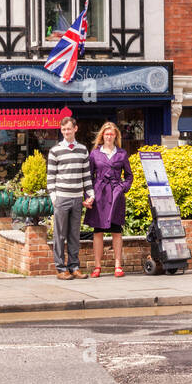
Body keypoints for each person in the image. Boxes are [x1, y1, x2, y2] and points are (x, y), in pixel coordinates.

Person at [47, 116, 94, 280]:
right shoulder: (55, 151)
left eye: (69, 129)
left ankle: (74, 267)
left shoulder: (83, 150)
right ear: (61, 130)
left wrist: (91, 195)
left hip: (77, 199)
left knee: (74, 235)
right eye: (64, 129)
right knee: (59, 235)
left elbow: (86, 176)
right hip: (61, 198)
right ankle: (61, 269)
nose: (66, 132)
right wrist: (54, 198)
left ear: (75, 129)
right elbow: (50, 178)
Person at [85, 121, 134, 278]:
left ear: (115, 136)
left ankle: (118, 266)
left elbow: (129, 175)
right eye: (106, 134)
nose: (109, 136)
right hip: (99, 195)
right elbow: (88, 177)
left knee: (116, 231)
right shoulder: (94, 153)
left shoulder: (122, 154)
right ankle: (97, 266)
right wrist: (88, 196)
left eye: (112, 134)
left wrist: (122, 188)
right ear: (102, 136)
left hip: (115, 194)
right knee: (98, 231)